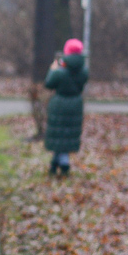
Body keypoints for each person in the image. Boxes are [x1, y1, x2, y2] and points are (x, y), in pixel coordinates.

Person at [44, 38, 88, 176]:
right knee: (66, 134)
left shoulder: (60, 71)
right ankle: (54, 163)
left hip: (59, 104)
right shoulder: (84, 71)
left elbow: (49, 84)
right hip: (75, 104)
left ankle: (63, 164)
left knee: (59, 134)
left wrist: (53, 70)